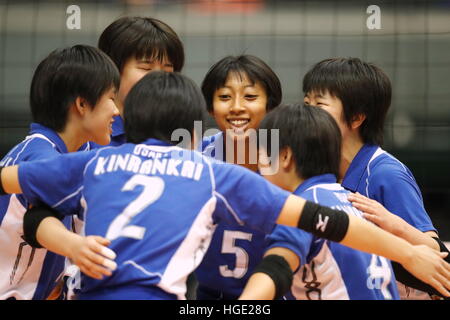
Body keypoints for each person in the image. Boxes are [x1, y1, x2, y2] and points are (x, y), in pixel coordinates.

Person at [1, 72, 449, 300]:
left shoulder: (95, 162)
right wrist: (407, 250)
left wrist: (67, 243)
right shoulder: (212, 171)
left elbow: (17, 188)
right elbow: (327, 222)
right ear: (193, 132)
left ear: (129, 122)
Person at [302, 57, 448, 299]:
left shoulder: (385, 174)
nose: (306, 113)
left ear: (357, 117)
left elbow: (436, 252)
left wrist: (394, 225)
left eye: (319, 105)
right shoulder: (315, 170)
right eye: (306, 102)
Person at [240, 103, 399, 300]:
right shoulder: (355, 200)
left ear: (285, 156)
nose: (258, 164)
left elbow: (276, 268)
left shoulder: (303, 208)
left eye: (262, 153)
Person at [0, 45, 120, 300]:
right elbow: (39, 221)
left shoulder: (68, 150)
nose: (116, 110)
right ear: (82, 104)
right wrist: (76, 247)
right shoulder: (42, 158)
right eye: (111, 98)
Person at [195, 55, 282, 299]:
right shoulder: (196, 157)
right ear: (210, 107)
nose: (236, 106)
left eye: (250, 97)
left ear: (271, 106)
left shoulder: (288, 163)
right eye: (224, 97)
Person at [94, 16, 184, 147]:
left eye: (167, 68)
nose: (158, 78)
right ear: (113, 68)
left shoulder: (181, 134)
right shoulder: (89, 136)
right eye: (146, 68)